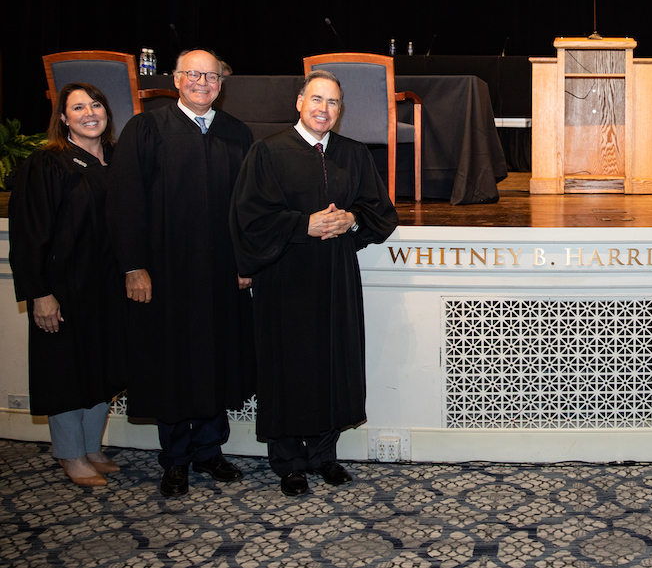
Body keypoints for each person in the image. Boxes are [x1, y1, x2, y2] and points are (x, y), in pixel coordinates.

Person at [230, 70, 398, 496]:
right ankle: (289, 462)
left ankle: (324, 455)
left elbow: (381, 212)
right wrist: (302, 224)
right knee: (286, 368)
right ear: (300, 103)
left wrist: (352, 218)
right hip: (284, 277)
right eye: (317, 99)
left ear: (341, 110)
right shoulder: (268, 152)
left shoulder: (353, 154)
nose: (324, 109)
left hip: (335, 277)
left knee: (332, 364)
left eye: (333, 102)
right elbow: (249, 218)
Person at [107, 48, 256, 497]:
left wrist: (245, 262)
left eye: (211, 77)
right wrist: (134, 266)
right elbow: (125, 202)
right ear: (175, 79)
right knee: (171, 363)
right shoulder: (146, 129)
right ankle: (175, 459)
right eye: (193, 74)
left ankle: (209, 450)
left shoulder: (237, 133)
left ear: (221, 84)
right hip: (165, 273)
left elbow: (248, 207)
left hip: (220, 273)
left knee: (215, 359)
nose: (202, 83)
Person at [9, 83, 126, 487]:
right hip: (62, 290)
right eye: (78, 108)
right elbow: (29, 234)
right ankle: (70, 453)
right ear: (63, 118)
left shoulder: (117, 160)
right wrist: (39, 293)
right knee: (65, 372)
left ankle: (91, 447)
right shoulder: (47, 163)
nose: (89, 113)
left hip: (107, 288)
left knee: (102, 369)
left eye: (96, 105)